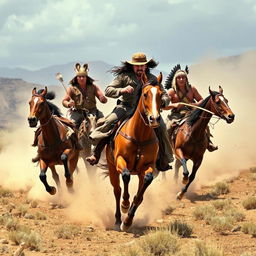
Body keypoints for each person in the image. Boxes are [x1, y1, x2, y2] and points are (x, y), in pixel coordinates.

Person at [86, 52, 174, 171]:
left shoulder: (153, 79)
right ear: (133, 66)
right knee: (109, 122)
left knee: (162, 127)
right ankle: (95, 154)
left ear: (146, 66)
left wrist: (162, 101)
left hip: (147, 112)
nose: (140, 68)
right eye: (137, 66)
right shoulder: (124, 77)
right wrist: (122, 90)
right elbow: (108, 90)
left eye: (142, 65)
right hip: (125, 108)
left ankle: (164, 158)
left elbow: (165, 95)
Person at [164, 64, 218, 152]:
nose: (181, 79)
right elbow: (163, 106)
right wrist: (175, 105)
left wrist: (193, 105)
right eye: (179, 78)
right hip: (176, 115)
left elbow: (201, 100)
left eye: (183, 77)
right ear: (175, 79)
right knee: (167, 128)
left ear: (186, 79)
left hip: (191, 113)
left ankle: (208, 143)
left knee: (204, 124)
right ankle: (167, 149)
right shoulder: (171, 91)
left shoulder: (192, 89)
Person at [62, 63, 107, 129]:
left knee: (105, 124)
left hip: (93, 112)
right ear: (76, 78)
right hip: (77, 113)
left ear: (86, 77)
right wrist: (68, 104)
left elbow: (102, 98)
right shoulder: (71, 88)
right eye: (79, 77)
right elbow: (64, 101)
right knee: (69, 129)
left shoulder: (93, 87)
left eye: (83, 76)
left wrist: (103, 99)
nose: (81, 78)